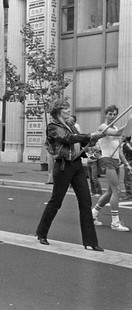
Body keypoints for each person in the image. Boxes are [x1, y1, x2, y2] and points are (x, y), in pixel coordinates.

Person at [35, 100, 104, 250]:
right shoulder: (53, 127)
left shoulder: (71, 126)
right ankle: (42, 233)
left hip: (77, 165)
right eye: (65, 109)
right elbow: (67, 139)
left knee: (86, 202)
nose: (68, 111)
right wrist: (89, 135)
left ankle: (91, 242)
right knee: (56, 202)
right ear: (58, 111)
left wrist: (93, 140)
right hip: (63, 167)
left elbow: (80, 140)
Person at [92, 105, 129, 232]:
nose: (112, 116)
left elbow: (119, 149)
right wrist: (129, 122)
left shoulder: (116, 127)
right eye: (110, 114)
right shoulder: (103, 127)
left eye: (114, 114)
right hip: (107, 160)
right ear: (105, 115)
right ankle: (115, 222)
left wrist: (127, 164)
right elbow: (116, 133)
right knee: (117, 191)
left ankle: (93, 214)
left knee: (109, 192)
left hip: (116, 161)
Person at [121, 136, 132, 201]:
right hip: (128, 161)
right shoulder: (128, 144)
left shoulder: (127, 144)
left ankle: (129, 194)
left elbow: (124, 154)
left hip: (129, 161)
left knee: (127, 179)